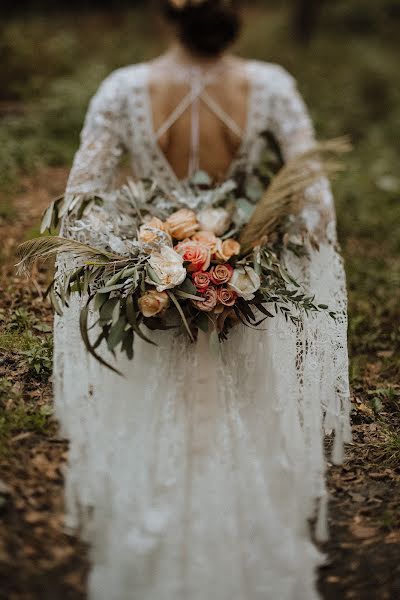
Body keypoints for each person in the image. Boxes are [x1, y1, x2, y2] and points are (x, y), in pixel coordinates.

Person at [54, 1, 352, 598]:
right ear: (235, 16)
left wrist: (144, 262)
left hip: (154, 301)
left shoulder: (122, 90)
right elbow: (316, 205)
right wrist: (253, 252)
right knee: (245, 428)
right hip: (242, 293)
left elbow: (81, 205)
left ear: (169, 16)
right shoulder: (270, 86)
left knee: (158, 431)